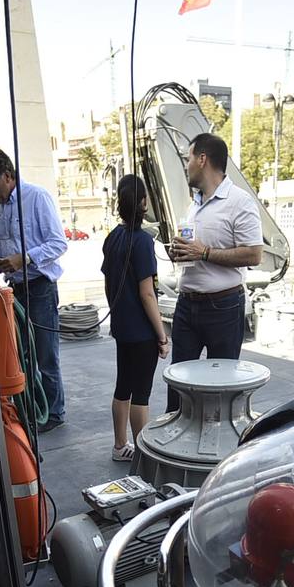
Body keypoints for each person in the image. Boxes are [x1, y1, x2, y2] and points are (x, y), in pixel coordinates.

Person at [165, 132, 264, 412]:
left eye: (188, 158)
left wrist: (204, 252)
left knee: (222, 385)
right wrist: (180, 252)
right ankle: (175, 443)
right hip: (187, 304)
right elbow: (193, 249)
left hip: (223, 306)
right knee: (179, 381)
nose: (186, 165)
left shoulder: (239, 202)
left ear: (202, 159)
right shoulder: (193, 204)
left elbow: (254, 254)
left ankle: (217, 446)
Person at [0, 145, 70, 431]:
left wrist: (24, 258)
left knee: (45, 356)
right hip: (14, 289)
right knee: (23, 356)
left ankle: (53, 413)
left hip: (39, 287)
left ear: (7, 175)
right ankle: (34, 410)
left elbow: (59, 243)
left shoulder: (36, 197)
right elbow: (4, 244)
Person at [101, 174, 170, 462]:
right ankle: (143, 455)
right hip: (141, 332)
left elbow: (108, 282)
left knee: (123, 386)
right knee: (141, 392)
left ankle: (120, 446)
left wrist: (118, 314)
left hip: (122, 328)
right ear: (143, 203)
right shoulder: (143, 243)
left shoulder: (112, 238)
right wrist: (162, 335)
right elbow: (147, 294)